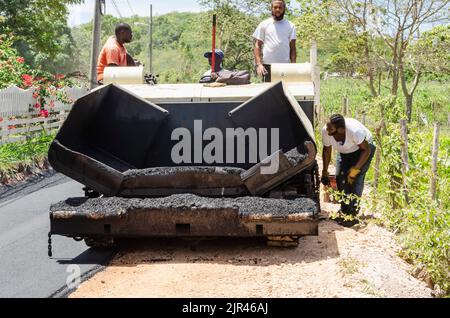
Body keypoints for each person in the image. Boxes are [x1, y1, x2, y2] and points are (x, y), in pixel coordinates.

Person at [321, 115, 376, 221]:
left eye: (331, 132)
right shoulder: (327, 130)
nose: (329, 134)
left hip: (363, 150)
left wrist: (355, 169)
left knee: (355, 179)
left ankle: (352, 213)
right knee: (340, 177)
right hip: (345, 151)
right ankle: (344, 210)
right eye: (328, 130)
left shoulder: (355, 131)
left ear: (341, 130)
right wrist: (324, 171)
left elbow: (366, 150)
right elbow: (327, 150)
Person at [253, 0, 297, 82]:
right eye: (275, 7)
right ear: (271, 8)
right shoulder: (264, 24)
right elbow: (257, 45)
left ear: (284, 9)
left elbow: (293, 47)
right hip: (267, 67)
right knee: (268, 92)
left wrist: (293, 65)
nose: (277, 10)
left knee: (285, 92)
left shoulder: (291, 25)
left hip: (285, 67)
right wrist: (259, 64)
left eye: (280, 7)